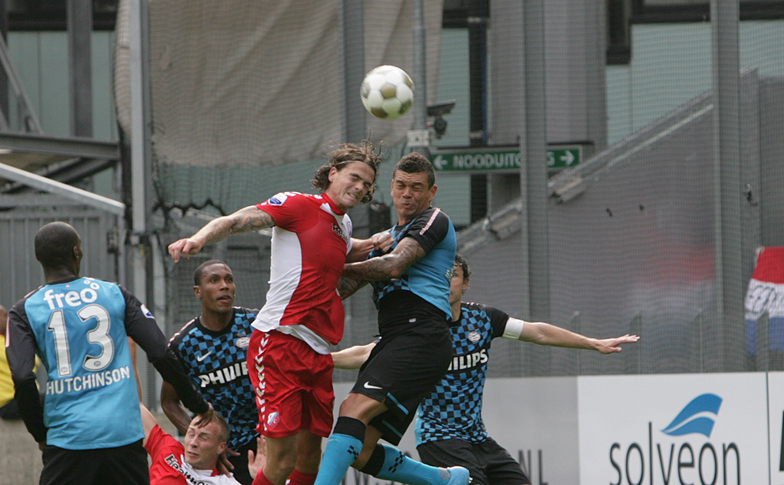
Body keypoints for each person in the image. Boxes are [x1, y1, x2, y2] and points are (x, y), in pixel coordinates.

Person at [168, 141, 387, 485]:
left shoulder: (342, 228)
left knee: (310, 456)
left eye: (367, 184)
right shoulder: (298, 205)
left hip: (317, 352)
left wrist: (376, 243)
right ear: (333, 174)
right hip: (280, 343)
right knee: (281, 459)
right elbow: (238, 220)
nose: (360, 188)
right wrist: (199, 239)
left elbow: (345, 253)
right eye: (354, 177)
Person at [336, 254, 640, 485]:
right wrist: (323, 360)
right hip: (439, 438)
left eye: (453, 274)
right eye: (439, 274)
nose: (446, 280)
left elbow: (538, 332)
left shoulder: (482, 320)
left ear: (466, 282)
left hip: (478, 437)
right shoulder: (420, 326)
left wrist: (592, 343)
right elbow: (365, 353)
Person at [7, 221, 214, 485]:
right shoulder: (114, 293)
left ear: (39, 258)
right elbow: (161, 353)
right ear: (77, 252)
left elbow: (23, 377)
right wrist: (197, 405)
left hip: (68, 439)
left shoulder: (24, 310)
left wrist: (40, 434)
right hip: (123, 437)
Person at [316, 152, 468, 485]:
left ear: (432, 192)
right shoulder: (383, 238)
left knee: (352, 409)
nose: (407, 194)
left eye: (416, 187)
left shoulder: (434, 220)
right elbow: (343, 286)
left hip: (422, 335)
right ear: (392, 188)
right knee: (363, 450)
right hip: (395, 339)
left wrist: (327, 265)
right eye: (401, 185)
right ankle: (444, 480)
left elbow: (395, 265)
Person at [162, 259, 260, 485]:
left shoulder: (256, 324)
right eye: (214, 280)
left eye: (229, 280)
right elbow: (168, 401)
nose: (224, 286)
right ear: (198, 291)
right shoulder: (184, 345)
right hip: (225, 454)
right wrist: (207, 443)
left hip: (266, 438)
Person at [142, 402, 267, 485]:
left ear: (221, 447)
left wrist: (263, 478)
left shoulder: (225, 482)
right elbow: (136, 405)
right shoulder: (169, 449)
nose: (193, 442)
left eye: (203, 437)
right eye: (191, 433)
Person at [0, 303, 38, 419]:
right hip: (9, 403)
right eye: (5, 315)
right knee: (55, 400)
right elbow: (32, 364)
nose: (9, 318)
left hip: (11, 401)